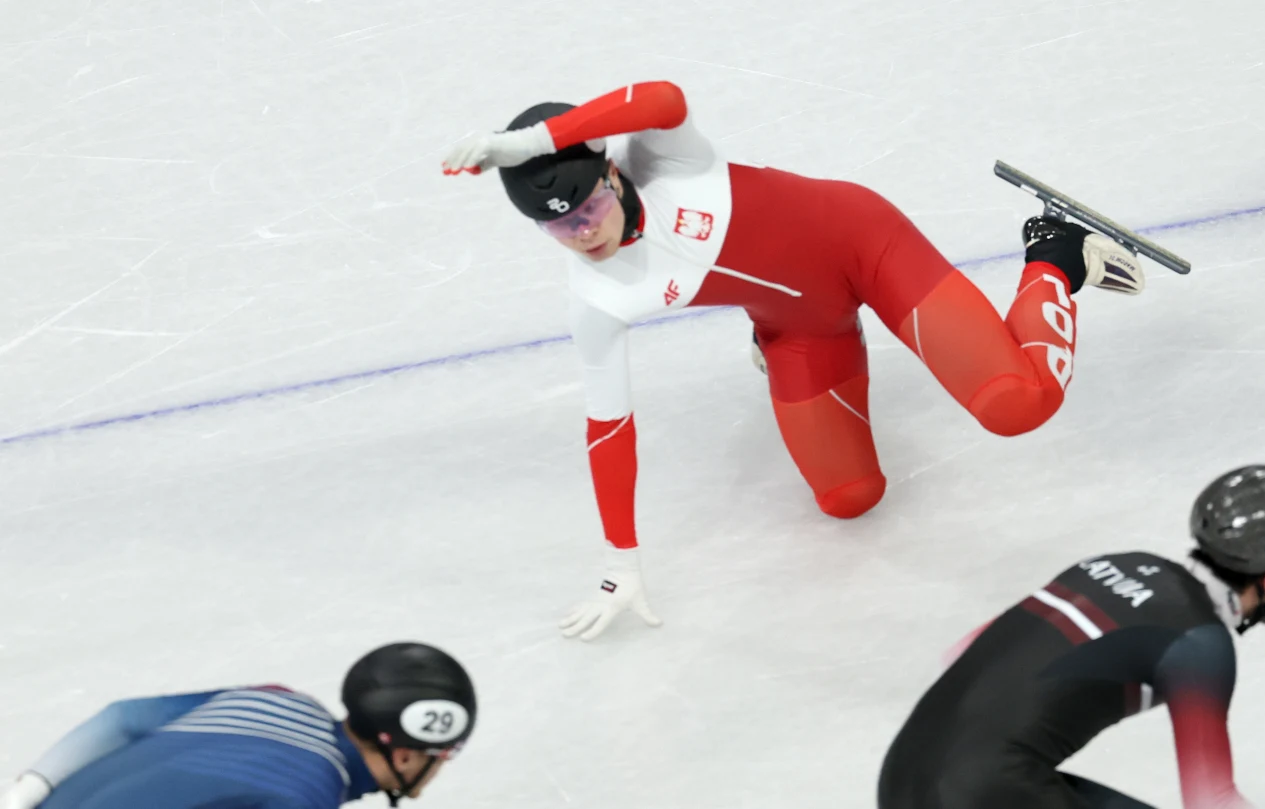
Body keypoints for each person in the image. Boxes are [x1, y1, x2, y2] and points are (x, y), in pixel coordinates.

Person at [441, 81, 1147, 641]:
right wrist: (618, 562)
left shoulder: (665, 161)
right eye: (558, 226)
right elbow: (608, 429)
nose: (583, 233)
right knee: (850, 498)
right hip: (803, 327)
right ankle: (774, 344)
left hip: (867, 245)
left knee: (1019, 405)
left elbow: (662, 97)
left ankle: (1056, 252)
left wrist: (528, 143)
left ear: (610, 172)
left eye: (589, 207)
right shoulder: (596, 296)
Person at [877, 464, 1265, 809]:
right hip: (984, 792)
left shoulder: (1115, 564)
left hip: (900, 774)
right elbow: (1210, 800)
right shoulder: (1199, 642)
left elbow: (966, 649)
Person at [0, 642, 475, 809]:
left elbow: (121, 718)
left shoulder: (273, 700)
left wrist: (25, 792)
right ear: (406, 755)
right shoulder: (300, 795)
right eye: (444, 756)